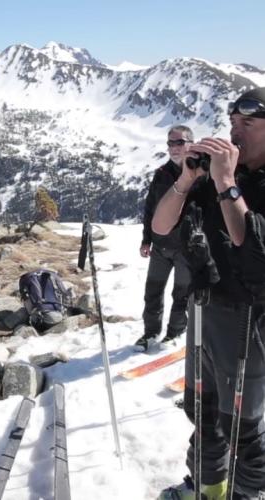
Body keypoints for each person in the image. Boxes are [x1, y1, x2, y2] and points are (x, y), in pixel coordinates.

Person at [153, 88, 265, 499]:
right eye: (233, 123)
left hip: (249, 319)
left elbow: (250, 247)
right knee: (202, 412)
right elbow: (161, 227)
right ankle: (207, 487)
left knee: (244, 425)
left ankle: (246, 494)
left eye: (248, 124)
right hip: (207, 309)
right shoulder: (214, 176)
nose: (235, 132)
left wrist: (226, 184)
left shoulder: (235, 179)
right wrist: (186, 180)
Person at [134, 126, 193, 352]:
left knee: (181, 294)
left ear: (190, 143)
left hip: (186, 249)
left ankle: (175, 333)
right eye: (170, 143)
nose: (174, 148)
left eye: (179, 142)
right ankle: (150, 333)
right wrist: (146, 239)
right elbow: (150, 208)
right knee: (153, 292)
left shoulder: (199, 174)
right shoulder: (161, 173)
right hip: (160, 246)